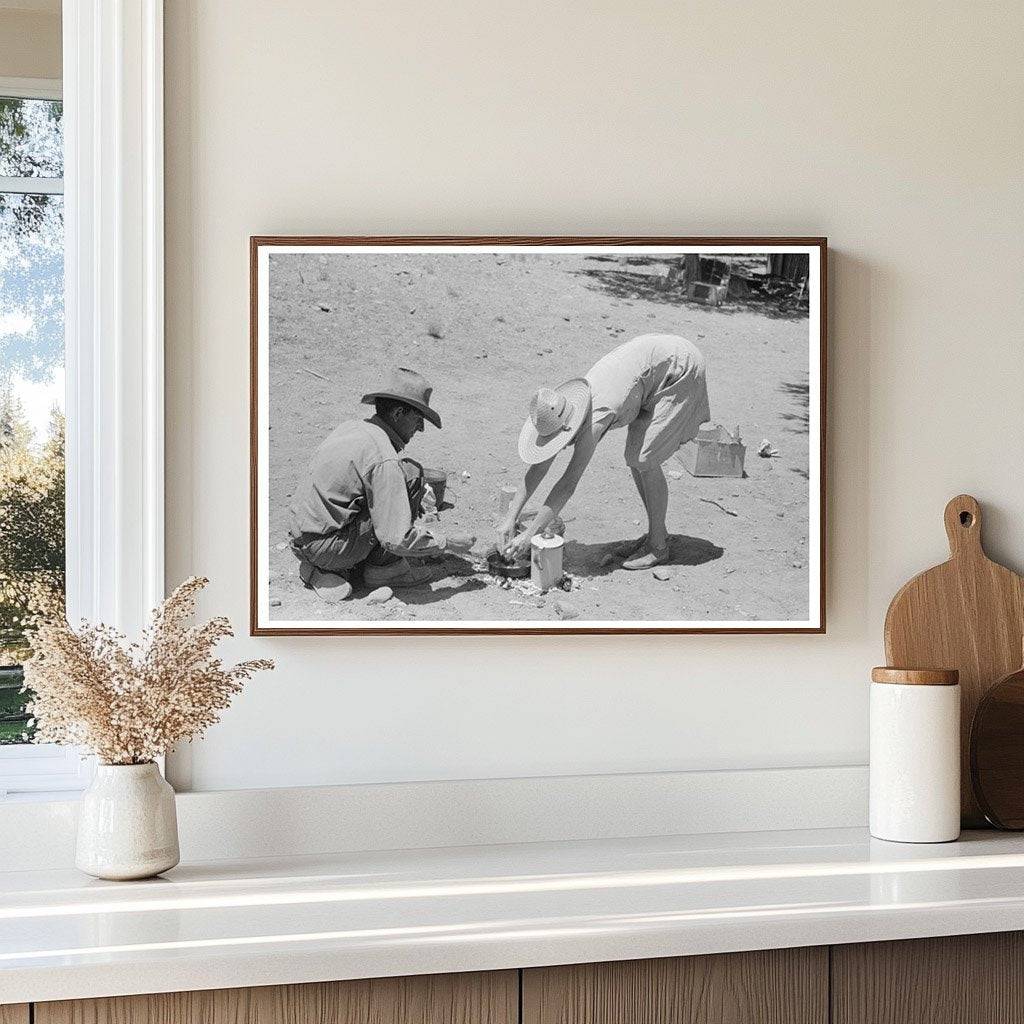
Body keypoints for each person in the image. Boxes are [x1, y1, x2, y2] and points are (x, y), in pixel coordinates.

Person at [497, 334, 711, 570]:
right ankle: (655, 534)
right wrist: (510, 518)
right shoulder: (561, 408)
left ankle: (658, 546)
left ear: (569, 427)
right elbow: (540, 466)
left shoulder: (594, 420)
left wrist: (530, 536)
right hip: (651, 371)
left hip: (679, 368)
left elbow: (569, 482)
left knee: (644, 459)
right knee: (635, 458)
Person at [289, 367, 449, 601]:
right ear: (397, 413)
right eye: (418, 419)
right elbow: (396, 538)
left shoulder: (352, 428)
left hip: (299, 540)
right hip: (328, 548)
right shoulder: (383, 457)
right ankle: (383, 570)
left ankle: (318, 571)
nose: (421, 428)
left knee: (406, 475)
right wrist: (449, 543)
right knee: (411, 475)